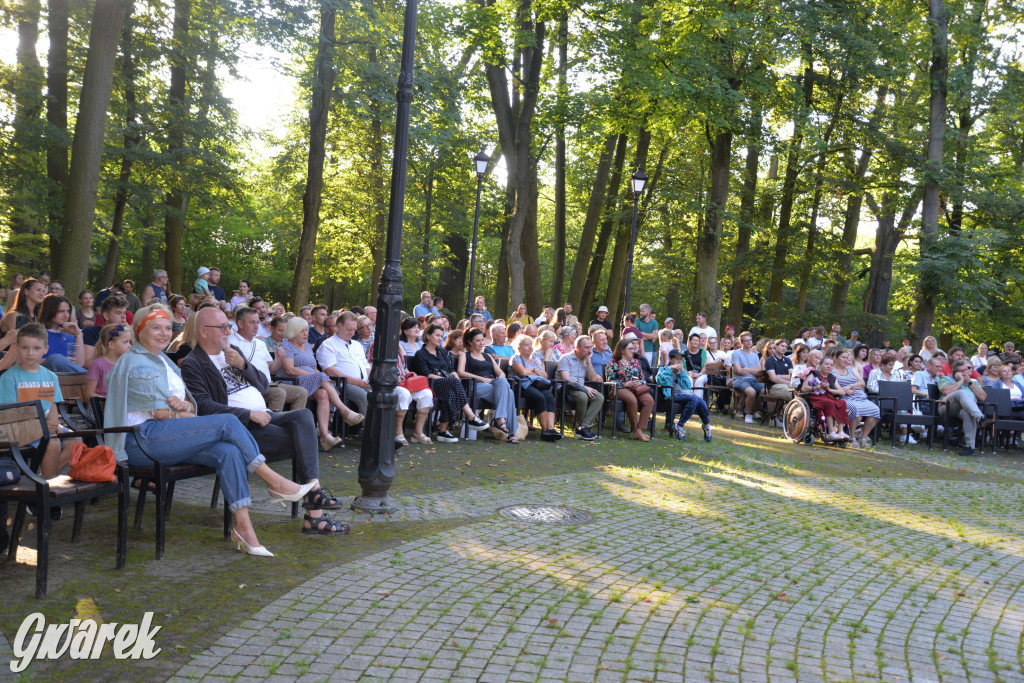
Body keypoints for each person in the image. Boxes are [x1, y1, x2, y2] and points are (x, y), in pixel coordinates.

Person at [104, 305, 319, 556]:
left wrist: (181, 408)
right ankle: (275, 482)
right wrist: (180, 409)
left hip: (167, 434)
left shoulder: (161, 360)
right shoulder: (138, 361)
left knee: (227, 451)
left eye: (166, 328)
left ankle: (244, 529)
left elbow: (183, 406)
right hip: (140, 440)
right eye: (155, 328)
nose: (164, 333)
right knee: (227, 422)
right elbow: (163, 412)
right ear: (140, 331)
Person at [180, 307, 346, 535]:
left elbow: (263, 386)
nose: (228, 331)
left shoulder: (232, 351)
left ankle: (313, 491)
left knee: (304, 416)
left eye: (228, 326)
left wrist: (243, 365)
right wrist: (248, 414)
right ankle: (315, 515)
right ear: (204, 331)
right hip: (240, 428)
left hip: (266, 415)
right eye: (223, 327)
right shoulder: (193, 363)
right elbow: (204, 406)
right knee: (302, 440)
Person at [0, 324, 81, 477]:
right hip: (16, 428)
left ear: (45, 349)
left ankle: (42, 480)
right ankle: (46, 489)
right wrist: (42, 425)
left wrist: (54, 424)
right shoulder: (9, 377)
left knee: (76, 439)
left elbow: (51, 407)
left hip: (42, 426)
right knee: (52, 442)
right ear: (17, 348)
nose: (30, 353)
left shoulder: (50, 377)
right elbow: (9, 414)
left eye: (36, 348)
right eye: (25, 348)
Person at [279, 316, 364, 450]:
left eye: (307, 330)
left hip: (309, 381)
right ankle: (345, 411)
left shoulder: (306, 346)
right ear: (293, 332)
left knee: (323, 393)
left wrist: (317, 375)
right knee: (321, 377)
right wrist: (316, 376)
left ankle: (324, 436)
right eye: (302, 331)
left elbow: (314, 367)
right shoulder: (286, 346)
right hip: (292, 382)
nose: (306, 334)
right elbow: (290, 370)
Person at [410, 323, 489, 442]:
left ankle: (442, 431)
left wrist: (455, 376)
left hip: (446, 384)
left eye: (441, 336)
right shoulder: (421, 354)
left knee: (450, 394)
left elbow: (451, 369)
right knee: (453, 383)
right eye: (437, 335)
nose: (439, 338)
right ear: (428, 336)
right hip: (430, 384)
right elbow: (426, 375)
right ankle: (471, 417)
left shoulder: (441, 352)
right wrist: (447, 380)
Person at [231, 306, 307, 412]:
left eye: (257, 322)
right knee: (278, 393)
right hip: (247, 385)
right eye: (252, 322)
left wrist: (278, 359)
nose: (256, 326)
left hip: (268, 384)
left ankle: (294, 426)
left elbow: (272, 370)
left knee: (301, 392)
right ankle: (273, 426)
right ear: (240, 324)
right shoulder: (231, 342)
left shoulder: (260, 343)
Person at [458, 328, 519, 443]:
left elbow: (501, 372)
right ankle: (511, 432)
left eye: (482, 340)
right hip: (475, 386)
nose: (482, 343)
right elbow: (460, 372)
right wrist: (482, 379)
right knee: (509, 392)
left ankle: (501, 419)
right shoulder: (465, 355)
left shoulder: (487, 356)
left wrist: (500, 378)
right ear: (470, 342)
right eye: (478, 341)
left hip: (493, 385)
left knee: (504, 385)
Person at [317, 311, 372, 418]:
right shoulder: (328, 345)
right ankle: (370, 432)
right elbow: (329, 370)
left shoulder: (357, 345)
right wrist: (356, 381)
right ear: (338, 327)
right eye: (349, 330)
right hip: (342, 385)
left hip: (363, 383)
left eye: (354, 330)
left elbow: (366, 366)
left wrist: (370, 380)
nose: (352, 333)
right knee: (364, 396)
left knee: (382, 394)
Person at [510, 334, 560, 440]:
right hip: (522, 387)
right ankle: (545, 431)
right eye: (526, 345)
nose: (530, 347)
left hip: (538, 385)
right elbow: (523, 373)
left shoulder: (533, 359)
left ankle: (551, 429)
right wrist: (534, 371)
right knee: (539, 397)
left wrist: (533, 370)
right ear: (519, 348)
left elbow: (545, 375)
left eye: (531, 345)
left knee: (549, 397)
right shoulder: (516, 358)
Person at [656, 349, 712, 442]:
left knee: (700, 401)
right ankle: (680, 426)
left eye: (681, 359)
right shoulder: (663, 370)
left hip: (683, 394)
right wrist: (670, 370)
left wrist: (681, 373)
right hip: (670, 395)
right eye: (677, 359)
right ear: (670, 359)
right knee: (693, 399)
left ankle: (706, 425)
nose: (679, 361)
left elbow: (687, 386)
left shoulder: (681, 371)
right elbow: (662, 381)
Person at [937, 359, 990, 457]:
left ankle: (970, 447)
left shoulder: (973, 382)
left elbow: (982, 397)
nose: (964, 372)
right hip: (947, 407)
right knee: (961, 393)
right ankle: (980, 417)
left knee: (967, 413)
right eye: (961, 370)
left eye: (967, 369)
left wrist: (969, 383)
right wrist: (961, 381)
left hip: (964, 410)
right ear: (955, 372)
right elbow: (946, 392)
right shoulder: (946, 379)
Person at [605, 337, 654, 441]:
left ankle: (640, 429)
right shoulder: (612, 363)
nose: (633, 351)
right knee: (632, 400)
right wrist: (625, 384)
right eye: (630, 349)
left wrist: (639, 382)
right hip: (618, 389)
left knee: (649, 400)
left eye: (633, 349)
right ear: (622, 350)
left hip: (636, 388)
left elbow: (642, 378)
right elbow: (610, 381)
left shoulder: (636, 362)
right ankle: (636, 429)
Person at [557, 336, 604, 440]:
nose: (590, 351)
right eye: (586, 347)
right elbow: (566, 379)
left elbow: (593, 378)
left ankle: (582, 427)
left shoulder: (585, 360)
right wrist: (584, 388)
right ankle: (581, 428)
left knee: (599, 397)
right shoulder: (566, 358)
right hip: (566, 389)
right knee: (583, 396)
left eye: (591, 347)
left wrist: (588, 361)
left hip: (580, 388)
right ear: (577, 347)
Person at [833, 349, 880, 449]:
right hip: (843, 397)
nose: (846, 360)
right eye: (843, 357)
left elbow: (862, 383)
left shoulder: (851, 368)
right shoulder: (832, 370)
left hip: (860, 396)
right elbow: (832, 386)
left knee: (875, 410)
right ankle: (852, 436)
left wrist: (850, 386)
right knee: (856, 411)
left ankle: (863, 437)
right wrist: (843, 390)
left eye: (848, 357)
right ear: (836, 358)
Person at [798, 355, 850, 441]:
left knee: (842, 403)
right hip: (815, 397)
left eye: (831, 365)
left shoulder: (831, 377)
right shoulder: (814, 374)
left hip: (828, 396)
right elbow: (804, 388)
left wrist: (829, 389)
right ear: (820, 365)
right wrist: (818, 387)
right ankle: (831, 432)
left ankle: (841, 431)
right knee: (829, 403)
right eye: (826, 364)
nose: (829, 366)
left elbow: (842, 392)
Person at [38, 294, 86, 372]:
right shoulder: (37, 335)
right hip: (43, 376)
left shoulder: (70, 337)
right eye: (61, 311)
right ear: (49, 311)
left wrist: (78, 335)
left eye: (68, 311)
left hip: (67, 379)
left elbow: (80, 364)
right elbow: (24, 361)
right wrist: (61, 361)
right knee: (55, 358)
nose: (66, 315)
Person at [85, 324, 133, 400]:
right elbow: (89, 394)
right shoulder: (98, 364)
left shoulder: (127, 364)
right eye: (125, 342)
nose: (130, 346)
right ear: (111, 344)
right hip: (102, 408)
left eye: (129, 342)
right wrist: (110, 401)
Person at [731, 332, 763, 423]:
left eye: (750, 340)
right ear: (741, 343)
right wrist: (752, 372)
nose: (749, 342)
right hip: (739, 380)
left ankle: (772, 416)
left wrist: (745, 368)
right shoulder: (736, 354)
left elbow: (758, 371)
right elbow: (738, 370)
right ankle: (749, 414)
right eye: (746, 341)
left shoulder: (755, 356)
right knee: (751, 392)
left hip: (754, 381)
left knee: (768, 390)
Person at [764, 338, 795, 409]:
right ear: (776, 346)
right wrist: (788, 382)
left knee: (800, 393)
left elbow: (792, 376)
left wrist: (778, 376)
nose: (784, 348)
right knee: (792, 394)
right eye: (782, 346)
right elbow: (773, 378)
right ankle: (785, 415)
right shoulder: (770, 361)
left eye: (786, 347)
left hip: (785, 385)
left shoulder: (788, 360)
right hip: (773, 387)